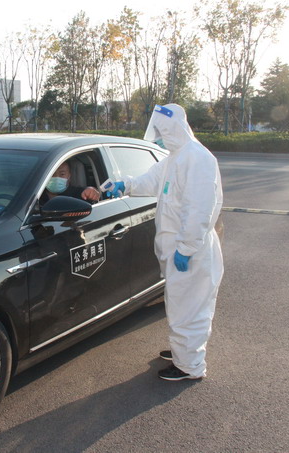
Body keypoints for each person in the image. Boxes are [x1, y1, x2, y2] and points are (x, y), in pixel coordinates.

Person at [107, 104, 223, 381]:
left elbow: (199, 210)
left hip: (192, 252)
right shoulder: (175, 158)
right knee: (180, 305)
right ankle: (183, 352)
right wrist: (125, 185)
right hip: (179, 249)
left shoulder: (197, 158)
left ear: (173, 128)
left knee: (191, 309)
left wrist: (187, 248)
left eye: (161, 130)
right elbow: (150, 181)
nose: (158, 136)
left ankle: (190, 366)